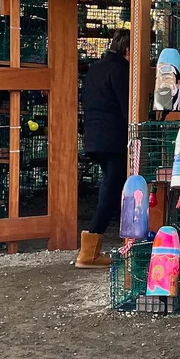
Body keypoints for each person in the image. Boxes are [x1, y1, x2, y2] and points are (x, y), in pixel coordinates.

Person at [76, 29, 130, 269]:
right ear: (129, 49)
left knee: (114, 188)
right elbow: (128, 106)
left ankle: (120, 243)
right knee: (111, 190)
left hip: (94, 138)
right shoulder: (121, 70)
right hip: (115, 140)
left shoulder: (96, 69)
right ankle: (89, 252)